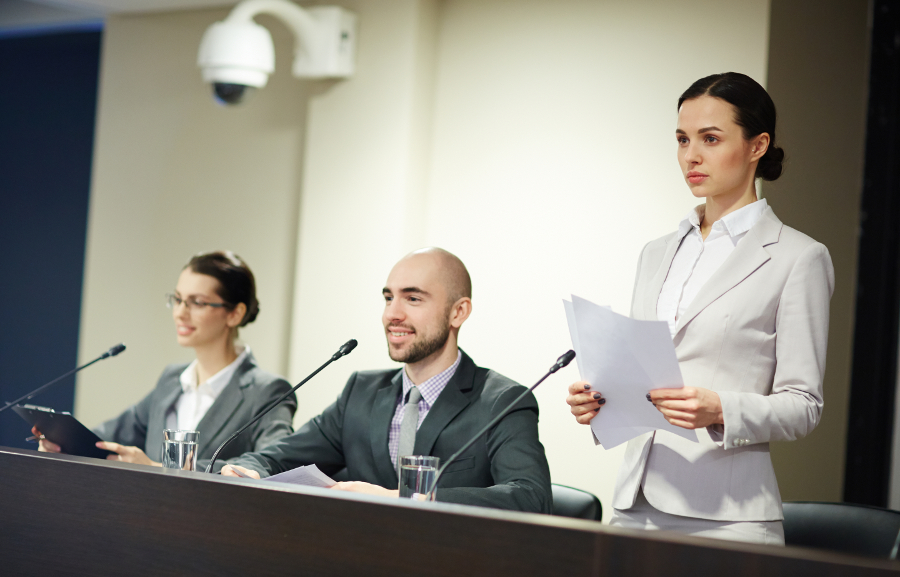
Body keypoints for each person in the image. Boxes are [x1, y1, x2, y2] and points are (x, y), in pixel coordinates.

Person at [565, 73, 834, 544]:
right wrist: (602, 400)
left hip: (729, 517)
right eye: (682, 139)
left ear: (757, 146)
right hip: (634, 504)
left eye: (710, 139)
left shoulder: (798, 258)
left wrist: (720, 408)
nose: (691, 155)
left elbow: (804, 406)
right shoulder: (656, 252)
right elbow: (646, 371)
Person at [221, 247, 552, 514]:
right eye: (388, 297)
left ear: (458, 312)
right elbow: (275, 457)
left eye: (413, 298)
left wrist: (400, 497)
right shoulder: (360, 392)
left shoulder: (502, 401)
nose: (392, 313)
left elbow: (529, 496)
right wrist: (246, 470)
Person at [34, 251, 296, 471]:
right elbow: (111, 435)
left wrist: (158, 468)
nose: (181, 313)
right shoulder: (172, 380)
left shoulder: (268, 391)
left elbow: (272, 462)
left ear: (235, 314)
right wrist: (63, 441)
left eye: (197, 302)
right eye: (178, 299)